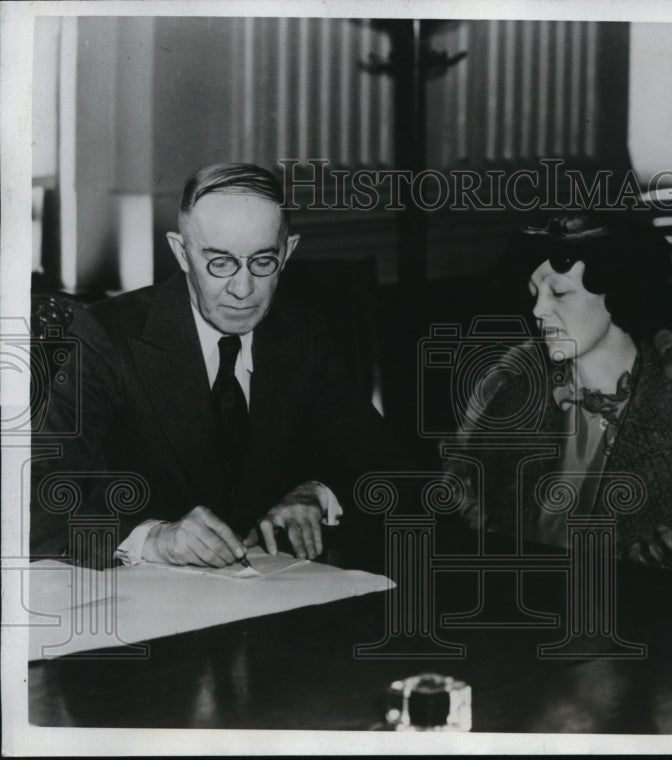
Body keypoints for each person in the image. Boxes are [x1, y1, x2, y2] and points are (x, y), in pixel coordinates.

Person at [31, 163, 407, 569]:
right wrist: (152, 538)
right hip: (144, 610)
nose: (243, 290)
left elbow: (388, 466)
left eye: (264, 262)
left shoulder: (300, 333)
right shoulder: (109, 336)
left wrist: (316, 493)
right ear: (181, 252)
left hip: (274, 600)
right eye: (220, 262)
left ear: (289, 251)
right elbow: (30, 503)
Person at [445, 214, 672, 579]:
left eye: (559, 292)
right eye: (534, 293)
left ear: (616, 292)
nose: (538, 310)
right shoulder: (512, 399)